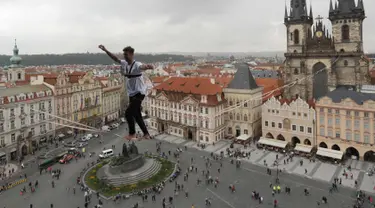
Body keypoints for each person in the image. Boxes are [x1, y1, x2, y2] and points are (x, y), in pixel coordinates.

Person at [99, 45, 154, 140]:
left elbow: (142, 66)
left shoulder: (137, 65)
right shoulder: (124, 63)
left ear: (132, 54)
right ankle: (146, 134)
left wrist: (148, 66)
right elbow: (115, 58)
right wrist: (105, 50)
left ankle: (132, 133)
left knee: (128, 113)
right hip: (131, 93)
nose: (125, 56)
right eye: (124, 54)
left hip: (139, 93)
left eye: (126, 54)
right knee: (137, 114)